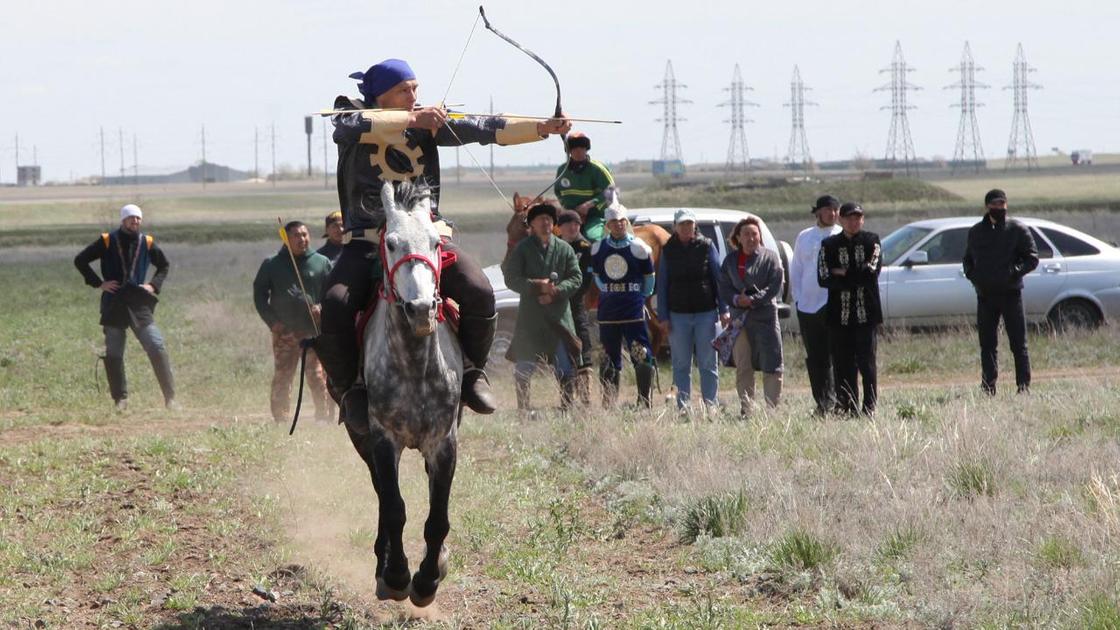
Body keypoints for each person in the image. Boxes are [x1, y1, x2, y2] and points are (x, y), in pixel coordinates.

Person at [316, 58, 570, 431]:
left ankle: (470, 374)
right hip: (368, 243)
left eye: (415, 89)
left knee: (480, 291)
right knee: (336, 304)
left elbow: (486, 127)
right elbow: (347, 127)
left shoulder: (429, 123)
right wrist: (413, 120)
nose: (414, 96)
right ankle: (352, 390)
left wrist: (541, 128)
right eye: (404, 90)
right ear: (381, 95)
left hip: (427, 242)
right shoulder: (351, 118)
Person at [74, 204, 176, 411]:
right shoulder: (107, 241)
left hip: (138, 304)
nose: (135, 222)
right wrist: (99, 283)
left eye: (138, 218)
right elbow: (80, 260)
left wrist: (152, 285)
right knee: (114, 352)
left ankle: (171, 399)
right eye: (131, 218)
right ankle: (120, 400)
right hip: (113, 303)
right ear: (123, 220)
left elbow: (164, 265)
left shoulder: (147, 242)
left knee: (156, 346)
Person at [500, 201, 584, 411]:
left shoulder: (564, 249)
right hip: (531, 319)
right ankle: (523, 410)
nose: (545, 222)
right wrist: (538, 286)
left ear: (553, 223)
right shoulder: (522, 249)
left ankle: (567, 408)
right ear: (532, 225)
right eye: (540, 219)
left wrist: (555, 291)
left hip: (559, 317)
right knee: (524, 369)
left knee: (565, 367)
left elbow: (576, 277)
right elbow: (511, 278)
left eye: (549, 219)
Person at [253, 221, 334, 424]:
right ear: (286, 238)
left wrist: (322, 309)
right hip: (285, 332)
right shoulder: (272, 265)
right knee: (283, 376)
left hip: (313, 332)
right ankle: (281, 418)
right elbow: (259, 296)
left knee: (317, 376)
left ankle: (322, 417)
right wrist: (273, 322)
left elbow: (333, 292)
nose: (302, 239)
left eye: (305, 234)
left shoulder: (321, 262)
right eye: (296, 235)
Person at [962, 189, 1039, 395]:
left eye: (1003, 204)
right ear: (987, 207)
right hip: (986, 296)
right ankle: (988, 386)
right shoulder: (976, 232)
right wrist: (974, 276)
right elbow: (967, 260)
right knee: (987, 344)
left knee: (1018, 343)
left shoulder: (1017, 229)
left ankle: (1023, 386)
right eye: (996, 205)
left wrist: (1014, 272)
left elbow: (1032, 258)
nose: (1000, 208)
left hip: (1011, 294)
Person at [656, 208, 728, 412]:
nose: (686, 227)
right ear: (675, 227)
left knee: (708, 363)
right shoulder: (668, 250)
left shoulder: (707, 246)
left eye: (689, 224)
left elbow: (718, 279)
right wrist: (663, 315)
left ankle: (711, 406)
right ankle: (683, 407)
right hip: (678, 315)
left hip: (706, 313)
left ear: (695, 226)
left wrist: (723, 309)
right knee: (680, 364)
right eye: (682, 224)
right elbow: (662, 285)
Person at [589, 202, 656, 407]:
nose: (618, 225)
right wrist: (608, 291)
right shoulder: (598, 248)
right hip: (608, 308)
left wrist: (638, 295)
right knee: (607, 355)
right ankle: (608, 403)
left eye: (621, 221)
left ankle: (644, 402)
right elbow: (597, 277)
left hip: (632, 307)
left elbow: (649, 280)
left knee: (640, 353)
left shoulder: (639, 247)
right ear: (607, 225)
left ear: (625, 222)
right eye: (613, 222)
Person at [817, 202, 882, 416]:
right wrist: (854, 273)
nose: (854, 222)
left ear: (862, 220)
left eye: (858, 218)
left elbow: (871, 273)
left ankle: (869, 406)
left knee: (867, 362)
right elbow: (824, 277)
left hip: (866, 313)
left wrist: (842, 272)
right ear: (841, 220)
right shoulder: (829, 244)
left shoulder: (872, 241)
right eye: (849, 218)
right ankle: (848, 405)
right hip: (839, 315)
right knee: (843, 363)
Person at [717, 217, 784, 416]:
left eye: (754, 234)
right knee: (743, 365)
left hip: (766, 318)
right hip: (739, 320)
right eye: (746, 234)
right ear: (738, 237)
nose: (751, 238)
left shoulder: (770, 257)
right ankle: (747, 410)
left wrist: (753, 300)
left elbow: (775, 285)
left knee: (772, 364)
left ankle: (772, 410)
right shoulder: (730, 261)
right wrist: (737, 299)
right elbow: (723, 287)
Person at [789, 195, 842, 415]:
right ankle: (822, 402)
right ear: (818, 212)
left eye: (835, 210)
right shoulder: (805, 236)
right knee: (816, 357)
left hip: (833, 303)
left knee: (837, 355)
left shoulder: (841, 235)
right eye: (828, 209)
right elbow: (797, 268)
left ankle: (840, 400)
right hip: (808, 306)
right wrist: (798, 298)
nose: (832, 214)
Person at [556, 209, 596, 405]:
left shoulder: (584, 247)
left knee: (582, 344)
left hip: (576, 302)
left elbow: (586, 278)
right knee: (561, 349)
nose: (573, 227)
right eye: (569, 224)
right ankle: (566, 397)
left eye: (577, 224)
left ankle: (585, 395)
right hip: (556, 306)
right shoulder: (553, 247)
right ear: (560, 227)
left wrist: (569, 292)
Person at [554, 132, 616, 241]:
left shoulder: (597, 169)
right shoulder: (562, 170)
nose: (578, 151)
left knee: (593, 237)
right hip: (571, 215)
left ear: (586, 149)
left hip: (596, 216)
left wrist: (589, 205)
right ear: (569, 151)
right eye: (574, 148)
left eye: (582, 147)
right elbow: (558, 192)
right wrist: (570, 209)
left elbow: (611, 191)